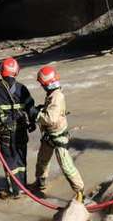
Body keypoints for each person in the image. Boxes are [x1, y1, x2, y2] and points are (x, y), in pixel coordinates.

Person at [0, 57, 36, 197]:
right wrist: (33, 123)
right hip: (22, 131)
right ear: (16, 72)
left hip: (6, 133)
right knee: (21, 160)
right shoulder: (22, 88)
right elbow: (31, 108)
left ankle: (14, 191)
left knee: (9, 161)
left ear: (2, 71)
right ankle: (23, 187)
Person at [31, 66, 85, 202]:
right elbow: (51, 112)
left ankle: (79, 191)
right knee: (42, 161)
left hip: (58, 136)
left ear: (47, 84)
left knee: (66, 166)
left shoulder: (57, 96)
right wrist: (41, 109)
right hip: (49, 135)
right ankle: (40, 183)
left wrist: (36, 114)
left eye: (42, 84)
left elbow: (51, 118)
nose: (41, 86)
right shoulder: (52, 94)